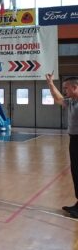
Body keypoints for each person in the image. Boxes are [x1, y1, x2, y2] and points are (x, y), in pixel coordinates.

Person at [46, 73, 78, 218]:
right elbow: (58, 98)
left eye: (66, 88)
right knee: (75, 172)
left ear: (75, 87)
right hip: (74, 140)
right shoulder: (71, 102)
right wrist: (51, 84)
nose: (64, 91)